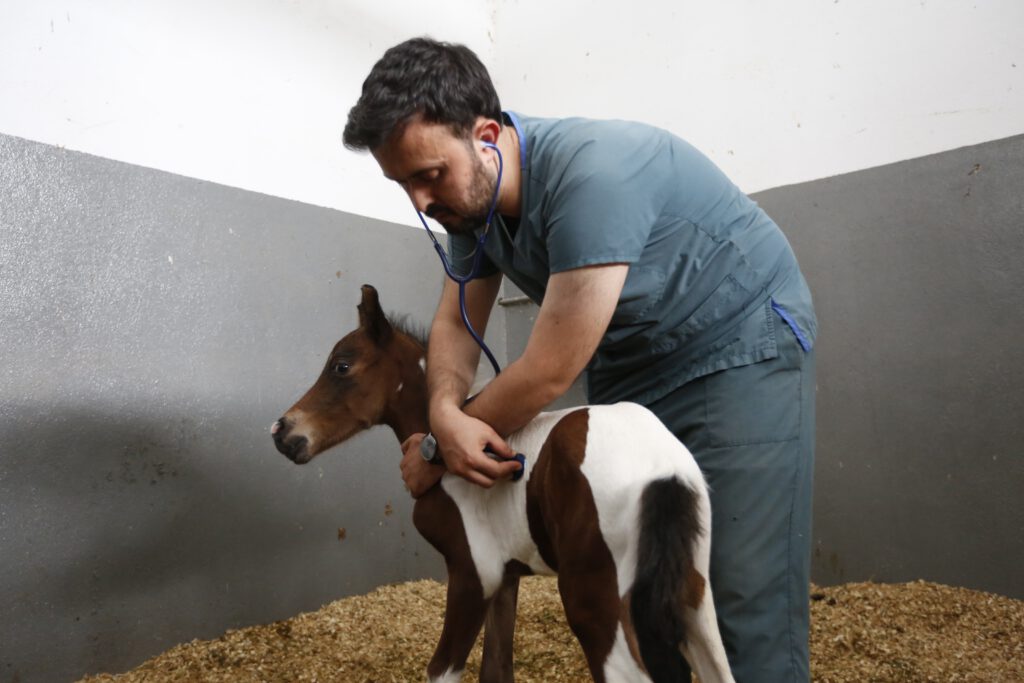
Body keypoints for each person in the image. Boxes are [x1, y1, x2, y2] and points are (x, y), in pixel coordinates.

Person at [343, 37, 817, 683]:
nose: (420, 201)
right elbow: (455, 320)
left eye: (428, 174)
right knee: (649, 587)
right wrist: (444, 414)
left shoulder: (591, 173)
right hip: (631, 359)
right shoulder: (469, 209)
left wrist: (435, 449)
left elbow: (547, 371)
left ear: (486, 134)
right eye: (402, 183)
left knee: (728, 590)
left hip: (733, 344)